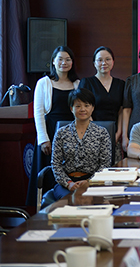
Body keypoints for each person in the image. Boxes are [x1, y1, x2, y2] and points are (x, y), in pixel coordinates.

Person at [27, 46, 80, 206]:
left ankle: (69, 206)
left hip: (70, 133)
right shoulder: (44, 82)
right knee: (48, 173)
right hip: (50, 132)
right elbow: (38, 112)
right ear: (53, 62)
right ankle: (44, 209)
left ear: (72, 62)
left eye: (68, 59)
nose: (64, 62)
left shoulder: (77, 83)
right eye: (60, 59)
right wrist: (44, 139)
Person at [51, 88, 112, 200]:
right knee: (68, 200)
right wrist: (68, 183)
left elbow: (105, 164)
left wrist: (89, 181)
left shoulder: (101, 133)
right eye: (78, 106)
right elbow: (56, 164)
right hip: (66, 183)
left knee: (91, 201)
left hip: (93, 182)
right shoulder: (61, 133)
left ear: (92, 108)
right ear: (71, 108)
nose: (82, 109)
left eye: (86, 105)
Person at [79, 46, 125, 161]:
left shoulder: (120, 84)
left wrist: (118, 133)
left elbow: (121, 110)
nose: (104, 63)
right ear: (94, 63)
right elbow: (83, 110)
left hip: (114, 135)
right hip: (91, 135)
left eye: (108, 59)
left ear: (113, 61)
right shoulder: (86, 83)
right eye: (100, 60)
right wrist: (95, 133)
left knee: (115, 168)